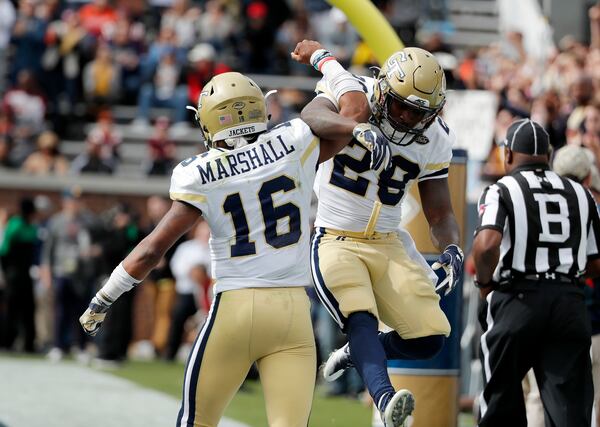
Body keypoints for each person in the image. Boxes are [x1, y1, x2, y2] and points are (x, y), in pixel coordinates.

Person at [79, 71, 382, 426]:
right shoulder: (296, 140)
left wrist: (103, 298)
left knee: (197, 421)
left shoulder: (198, 173)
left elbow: (151, 251)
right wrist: (328, 74)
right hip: (292, 313)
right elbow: (351, 115)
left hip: (234, 308)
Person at [291, 40, 463, 426]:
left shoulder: (434, 138)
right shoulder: (358, 96)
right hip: (335, 235)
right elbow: (312, 116)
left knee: (430, 338)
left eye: (418, 112)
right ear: (383, 88)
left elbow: (439, 211)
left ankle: (359, 353)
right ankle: (386, 402)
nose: (404, 117)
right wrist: (354, 128)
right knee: (360, 316)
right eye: (400, 104)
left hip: (388, 241)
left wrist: (452, 248)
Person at [472, 119, 600, 426]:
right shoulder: (581, 194)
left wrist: (485, 284)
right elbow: (596, 262)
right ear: (550, 153)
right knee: (570, 412)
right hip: (569, 300)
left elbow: (487, 245)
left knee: (499, 404)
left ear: (508, 155)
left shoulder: (501, 189)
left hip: (517, 297)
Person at [165, 220, 211, 361]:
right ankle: (171, 351)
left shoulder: (214, 250)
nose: (205, 235)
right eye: (203, 231)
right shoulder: (186, 248)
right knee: (178, 319)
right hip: (186, 291)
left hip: (206, 294)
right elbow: (176, 267)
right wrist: (190, 272)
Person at [0, 198, 37, 352]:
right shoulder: (17, 225)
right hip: (15, 275)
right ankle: (8, 342)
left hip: (22, 274)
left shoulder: (26, 226)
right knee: (14, 309)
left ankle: (28, 344)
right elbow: (4, 252)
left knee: (28, 309)